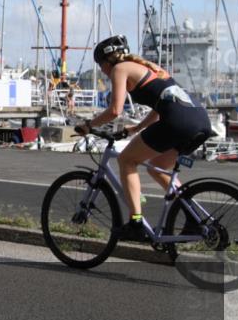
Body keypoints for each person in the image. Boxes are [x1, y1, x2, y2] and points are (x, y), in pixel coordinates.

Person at [77, 35, 212, 241]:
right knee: (156, 167)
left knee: (126, 160)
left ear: (107, 61)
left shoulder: (120, 69)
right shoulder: (152, 68)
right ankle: (193, 218)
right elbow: (161, 106)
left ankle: (136, 222)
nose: (102, 70)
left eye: (100, 65)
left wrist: (88, 125)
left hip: (177, 121)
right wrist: (137, 128)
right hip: (199, 120)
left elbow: (115, 110)